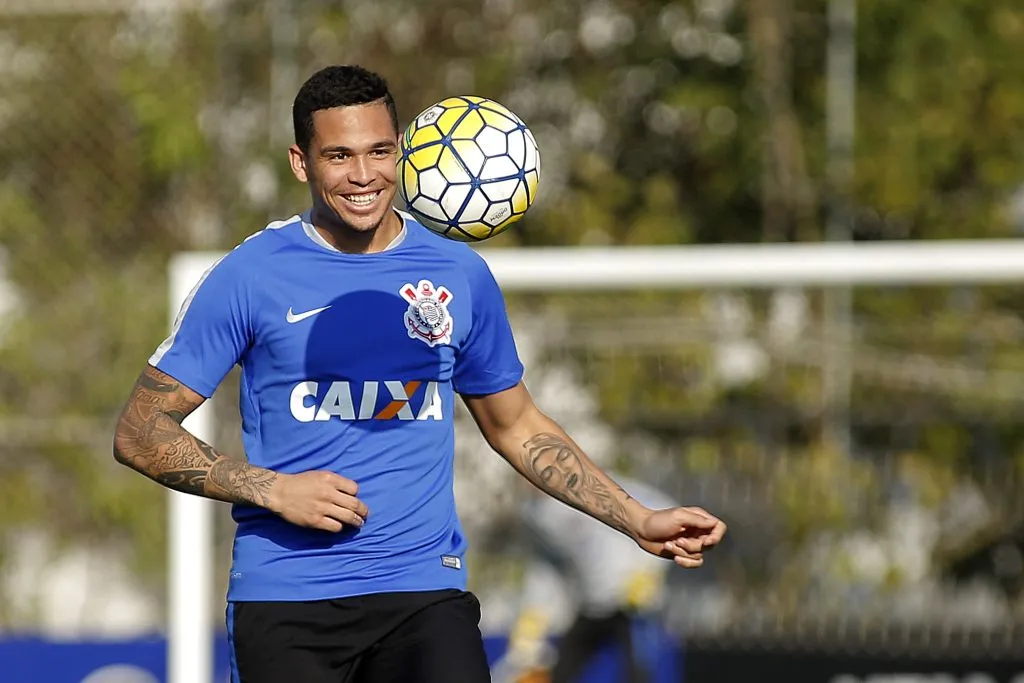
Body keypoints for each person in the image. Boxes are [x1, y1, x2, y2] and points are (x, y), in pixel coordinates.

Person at [112, 64, 727, 683]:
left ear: (402, 151)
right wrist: (270, 488)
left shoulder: (459, 276)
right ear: (302, 163)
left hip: (424, 592)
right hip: (287, 599)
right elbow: (140, 431)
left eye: (379, 151)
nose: (363, 175)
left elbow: (515, 425)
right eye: (339, 156)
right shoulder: (250, 275)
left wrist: (637, 519)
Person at [499, 474, 681, 683]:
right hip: (590, 601)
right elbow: (546, 567)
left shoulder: (591, 483)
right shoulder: (533, 515)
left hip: (630, 600)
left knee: (638, 674)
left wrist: (647, 570)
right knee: (561, 672)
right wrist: (533, 614)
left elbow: (663, 511)